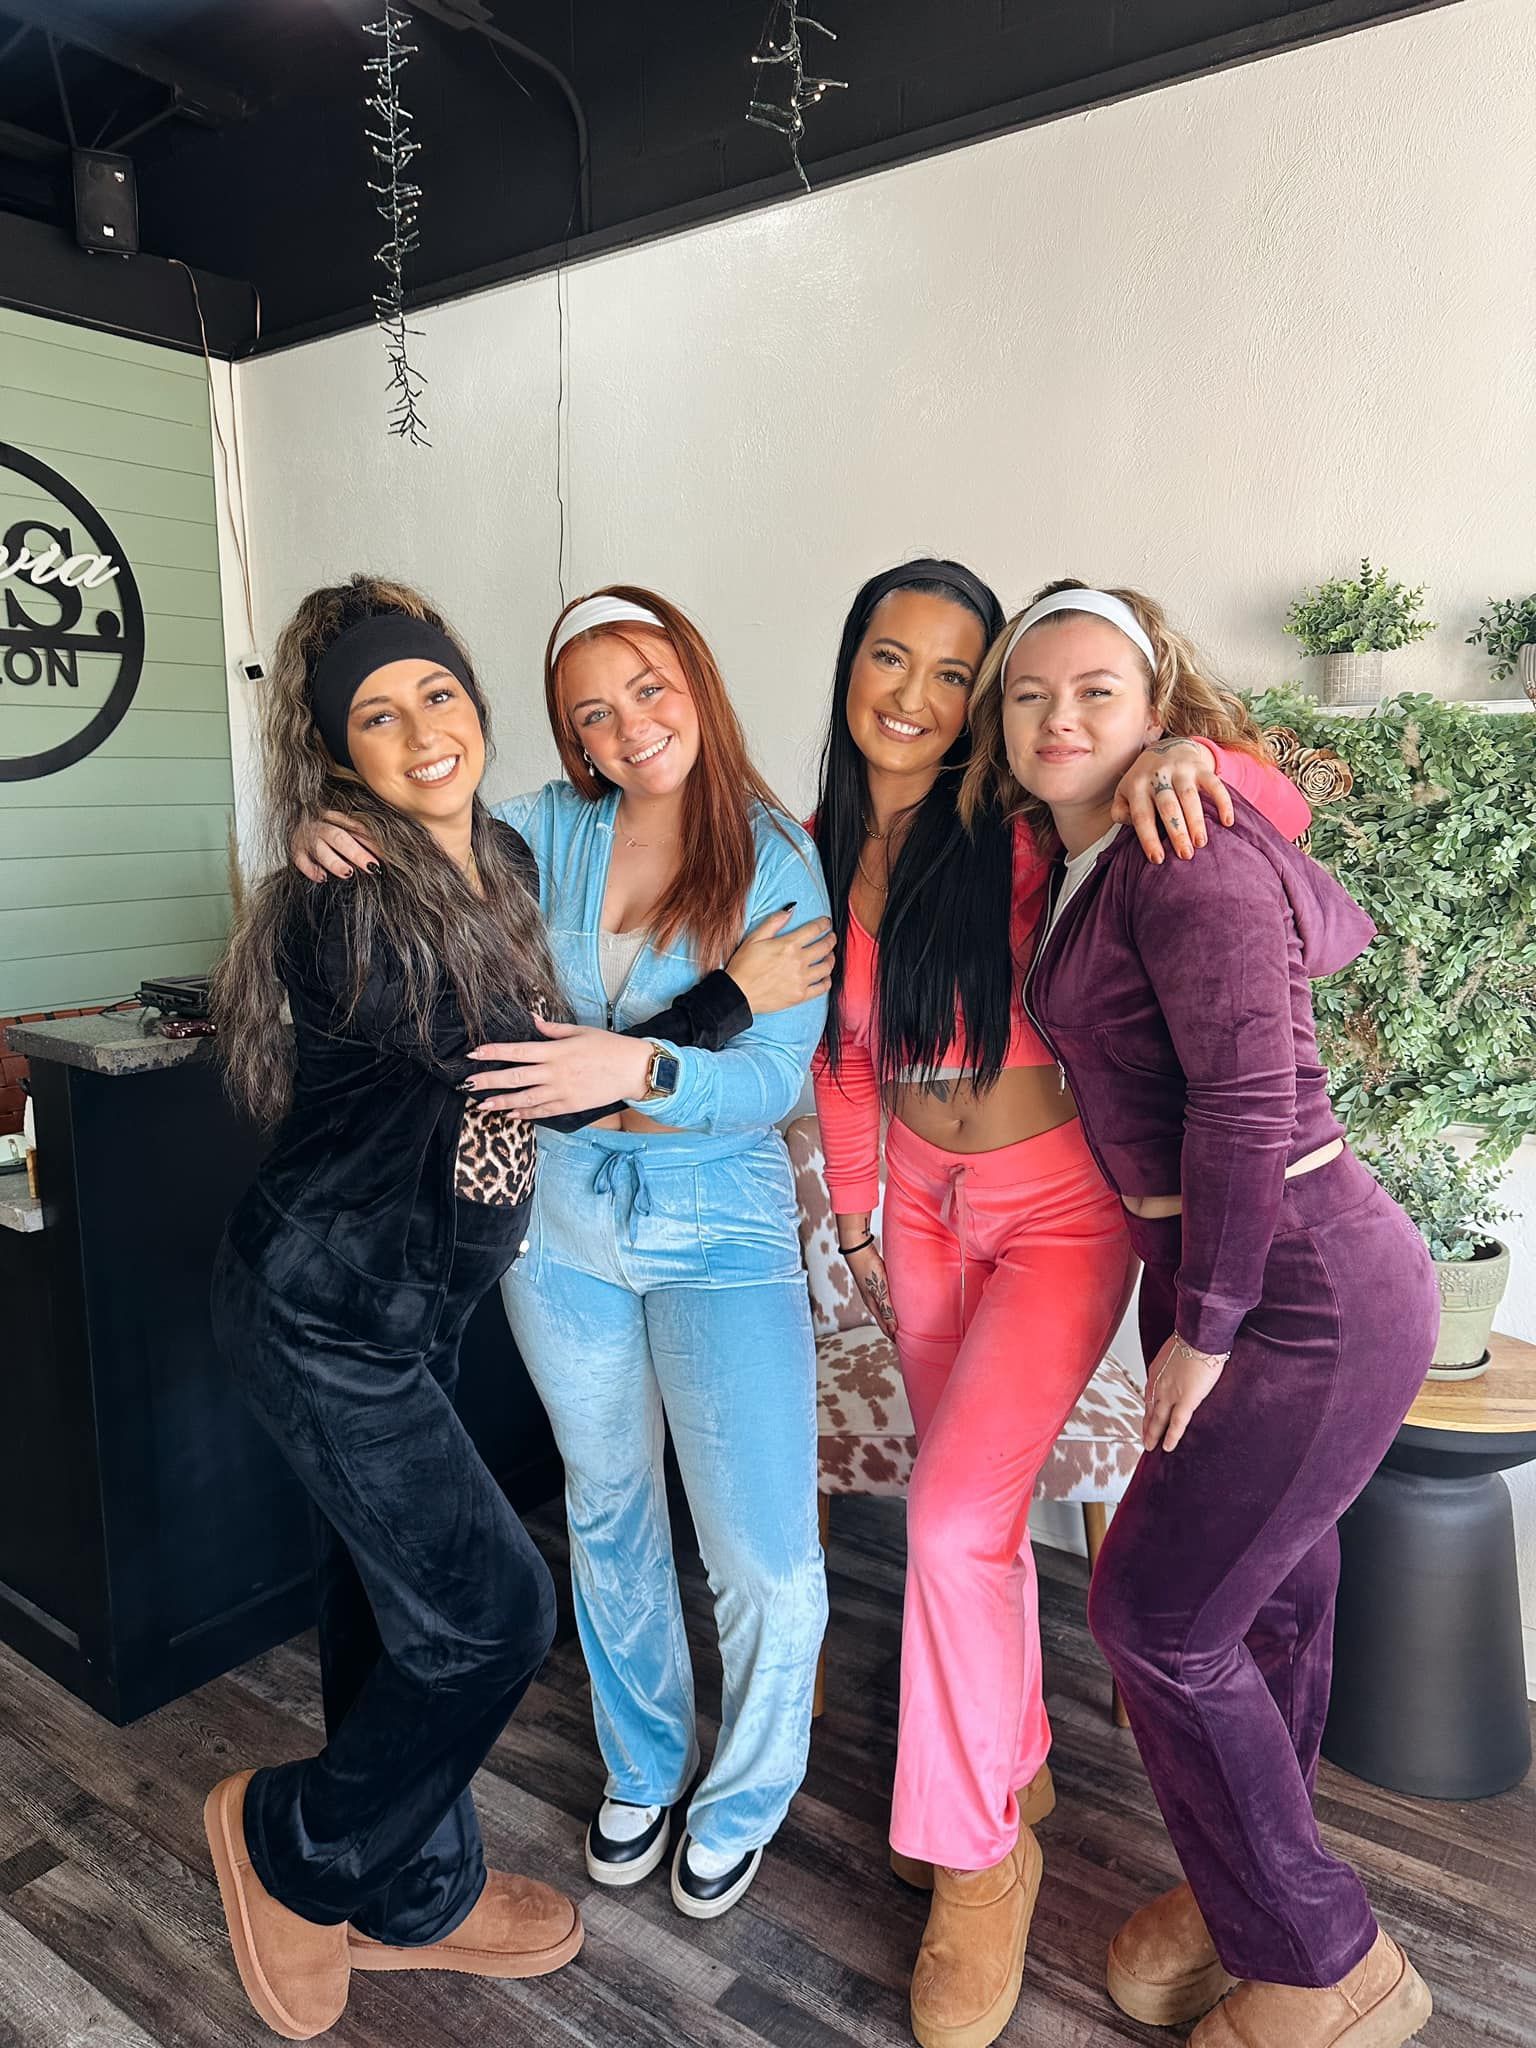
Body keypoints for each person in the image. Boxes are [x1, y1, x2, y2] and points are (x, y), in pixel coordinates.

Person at [212, 576, 826, 2039]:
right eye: (375, 712)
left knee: (391, 1600)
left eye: (435, 694)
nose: (422, 728)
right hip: (332, 1310)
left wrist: (700, 1037)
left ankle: (411, 1893)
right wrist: (718, 1002)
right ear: (332, 755)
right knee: (496, 1613)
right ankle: (296, 1848)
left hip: (435, 1303)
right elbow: (532, 1073)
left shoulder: (494, 848)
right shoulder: (363, 902)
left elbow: (670, 1077)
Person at [809, 559, 1311, 2048]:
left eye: (959, 675)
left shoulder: (1033, 823)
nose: (920, 697)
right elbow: (848, 1056)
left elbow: (1273, 814)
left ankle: (983, 1867)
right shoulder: (832, 845)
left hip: (1056, 1212)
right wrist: (852, 1198)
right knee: (971, 1521)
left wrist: (1192, 753)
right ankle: (999, 1762)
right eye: (889, 662)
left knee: (958, 1518)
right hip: (919, 1212)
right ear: (849, 677)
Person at [961, 578, 1436, 2048]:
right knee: (1269, 1602)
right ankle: (1256, 1894)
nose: (1060, 718)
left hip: (1298, 1287)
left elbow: (1246, 1105)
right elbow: (1333, 921)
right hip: (1246, 1271)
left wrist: (1208, 1321)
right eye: (1031, 695)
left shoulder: (1188, 855)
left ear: (1156, 704)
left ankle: (1326, 1969)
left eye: (1098, 690)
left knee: (1152, 1616)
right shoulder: (1109, 852)